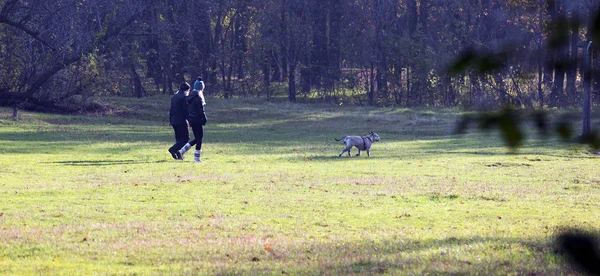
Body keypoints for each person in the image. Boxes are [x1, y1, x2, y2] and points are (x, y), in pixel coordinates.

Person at [177, 77, 207, 162]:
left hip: (192, 120)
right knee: (199, 139)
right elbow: (201, 111)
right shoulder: (198, 98)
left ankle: (182, 151)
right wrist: (204, 119)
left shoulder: (189, 97)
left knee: (197, 138)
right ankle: (196, 158)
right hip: (197, 120)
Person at [168, 82, 190, 160]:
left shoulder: (174, 97)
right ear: (187, 90)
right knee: (185, 139)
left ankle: (179, 155)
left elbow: (171, 110)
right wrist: (189, 120)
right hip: (181, 121)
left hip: (174, 120)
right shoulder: (184, 97)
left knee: (179, 139)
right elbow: (185, 111)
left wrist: (170, 120)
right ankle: (173, 150)